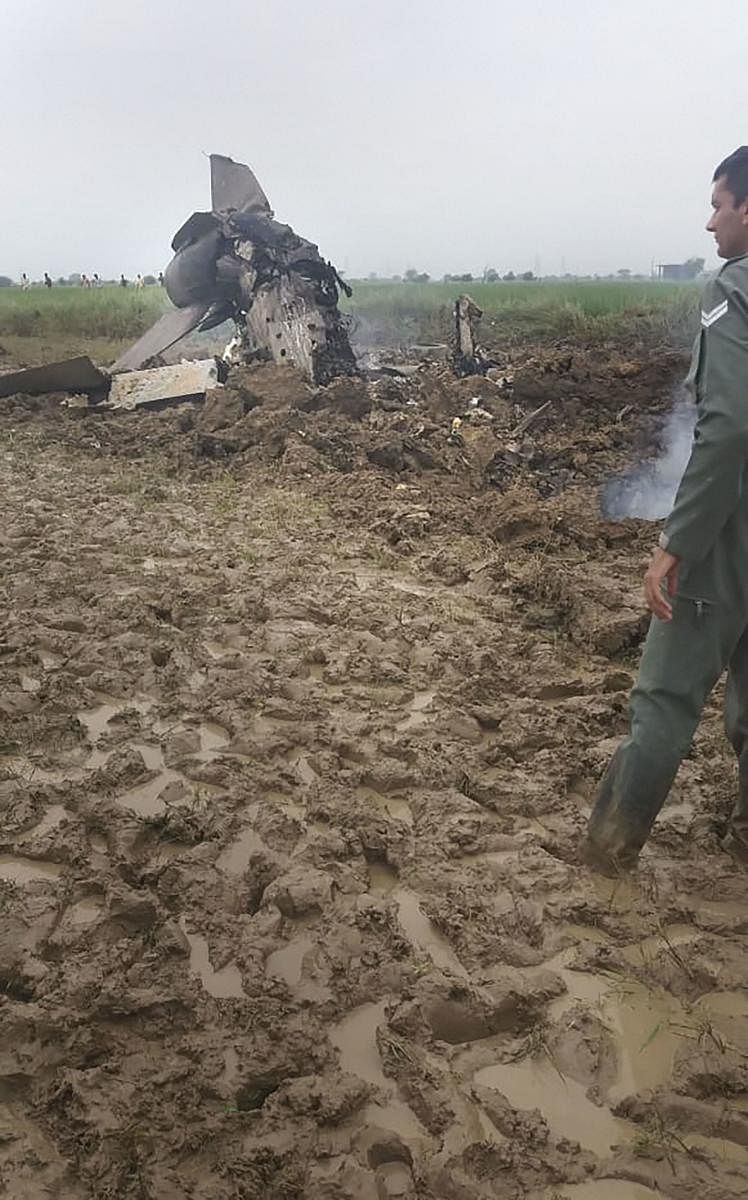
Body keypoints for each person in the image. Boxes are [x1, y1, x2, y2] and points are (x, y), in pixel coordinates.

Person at [584, 145, 748, 872]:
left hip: (731, 533)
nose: (709, 221)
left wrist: (677, 542)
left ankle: (605, 856)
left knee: (664, 698)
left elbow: (730, 426)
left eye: (718, 204)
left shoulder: (733, 291)